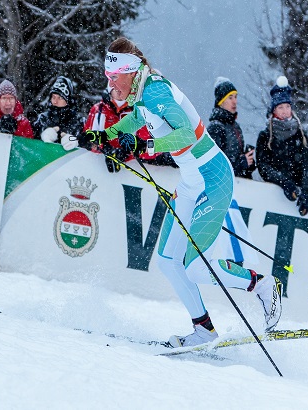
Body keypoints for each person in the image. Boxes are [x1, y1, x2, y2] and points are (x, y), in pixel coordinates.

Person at [74, 37, 282, 347]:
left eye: (113, 75)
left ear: (129, 71)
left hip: (213, 178)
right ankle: (204, 330)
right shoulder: (142, 92)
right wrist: (104, 135)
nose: (109, 81)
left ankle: (263, 286)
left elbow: (185, 133)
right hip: (191, 182)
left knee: (196, 266)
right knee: (168, 261)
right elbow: (136, 119)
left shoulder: (155, 91)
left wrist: (146, 144)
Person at [256, 75, 308, 216]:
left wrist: (306, 191)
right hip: (273, 196)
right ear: (273, 110)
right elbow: (263, 166)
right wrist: (283, 182)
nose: (285, 110)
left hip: (297, 195)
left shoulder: (301, 135)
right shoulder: (266, 136)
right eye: (280, 107)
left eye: (287, 106)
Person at [83, 85, 175, 172]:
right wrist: (106, 149)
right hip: (100, 171)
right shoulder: (98, 110)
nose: (118, 91)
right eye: (115, 88)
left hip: (135, 171)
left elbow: (149, 146)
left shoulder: (140, 111)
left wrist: (127, 153)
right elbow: (87, 141)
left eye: (122, 88)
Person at [207, 77, 255, 179]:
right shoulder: (215, 127)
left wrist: (248, 164)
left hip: (238, 185)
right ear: (221, 101)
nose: (235, 101)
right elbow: (214, 166)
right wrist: (241, 164)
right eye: (230, 98)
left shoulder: (235, 126)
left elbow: (237, 160)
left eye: (235, 97)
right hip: (224, 188)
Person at [34, 76, 83, 150]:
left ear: (67, 100)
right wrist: (43, 134)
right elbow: (30, 140)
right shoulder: (42, 118)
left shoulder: (78, 121)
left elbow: (87, 144)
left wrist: (74, 141)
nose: (55, 101)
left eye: (60, 98)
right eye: (53, 97)